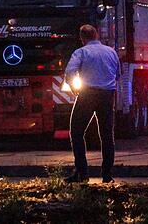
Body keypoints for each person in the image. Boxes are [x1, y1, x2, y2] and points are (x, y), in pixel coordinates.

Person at [63, 24, 120, 183]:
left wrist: (73, 87)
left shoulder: (81, 52)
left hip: (87, 95)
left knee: (76, 132)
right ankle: (107, 175)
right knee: (107, 135)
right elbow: (118, 74)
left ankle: (82, 173)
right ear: (97, 35)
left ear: (82, 38)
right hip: (107, 95)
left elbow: (69, 72)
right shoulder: (111, 52)